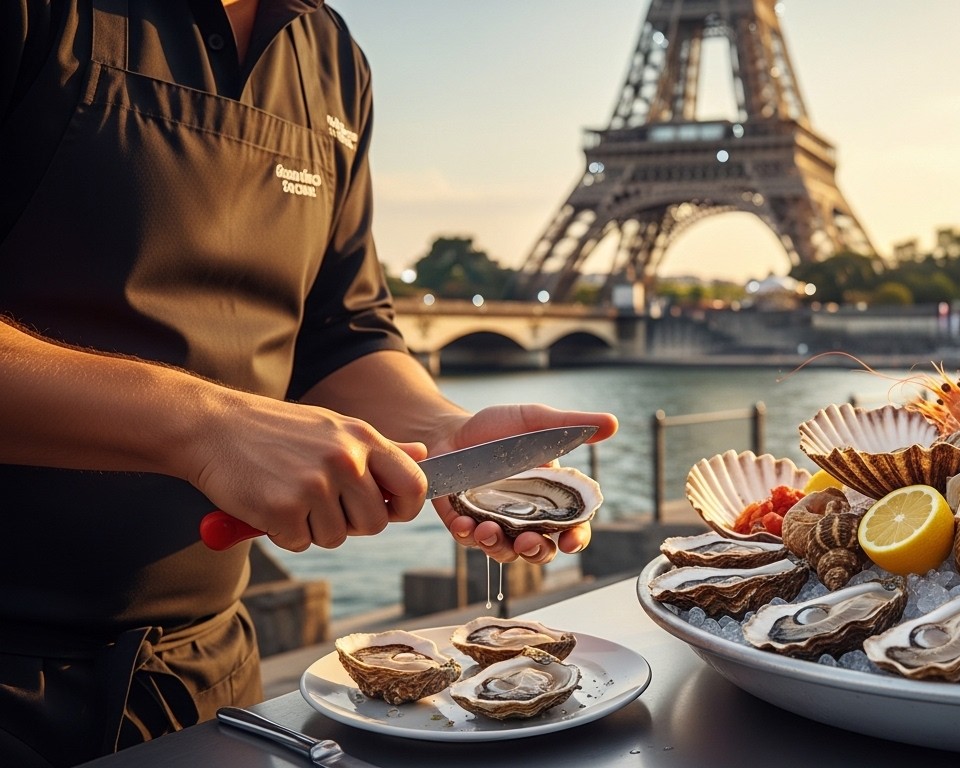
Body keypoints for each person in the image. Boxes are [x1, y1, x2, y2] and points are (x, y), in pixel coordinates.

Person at [0, 2, 617, 765]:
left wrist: (445, 434)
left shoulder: (330, 52)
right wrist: (206, 425)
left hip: (208, 678)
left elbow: (341, 333)